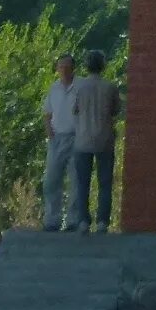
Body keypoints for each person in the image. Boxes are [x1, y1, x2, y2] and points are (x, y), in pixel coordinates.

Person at [68, 50, 120, 233]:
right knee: (105, 182)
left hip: (82, 140)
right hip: (104, 139)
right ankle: (102, 221)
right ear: (103, 66)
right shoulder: (110, 87)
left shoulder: (80, 88)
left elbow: (75, 110)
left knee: (82, 183)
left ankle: (83, 220)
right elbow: (116, 111)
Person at [39, 53, 78, 231]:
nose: (64, 69)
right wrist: (50, 134)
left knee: (76, 181)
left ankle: (73, 220)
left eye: (67, 66)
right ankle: (52, 220)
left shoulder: (80, 87)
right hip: (57, 139)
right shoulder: (53, 88)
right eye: (60, 66)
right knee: (51, 181)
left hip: (76, 138)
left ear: (73, 68)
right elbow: (47, 114)